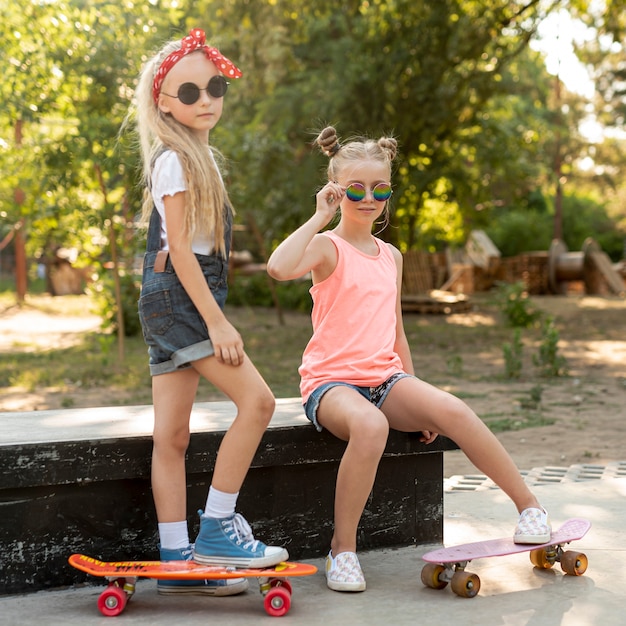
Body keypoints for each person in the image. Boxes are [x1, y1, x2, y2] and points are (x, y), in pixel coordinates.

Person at [266, 126, 551, 593]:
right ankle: (343, 549)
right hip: (331, 385)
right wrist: (319, 215)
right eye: (355, 189)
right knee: (372, 427)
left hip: (386, 379)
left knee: (454, 408)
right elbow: (278, 267)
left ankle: (530, 508)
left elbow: (395, 329)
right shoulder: (326, 247)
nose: (368, 198)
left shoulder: (391, 256)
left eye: (380, 189)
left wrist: (417, 395)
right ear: (337, 190)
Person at [131, 28, 288, 596]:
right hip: (182, 303)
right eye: (189, 92)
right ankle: (218, 530)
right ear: (163, 102)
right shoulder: (174, 160)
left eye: (214, 87)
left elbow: (191, 246)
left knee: (170, 437)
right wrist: (218, 322)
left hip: (171, 301)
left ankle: (177, 562)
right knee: (259, 401)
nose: (206, 100)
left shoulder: (199, 157)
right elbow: (178, 254)